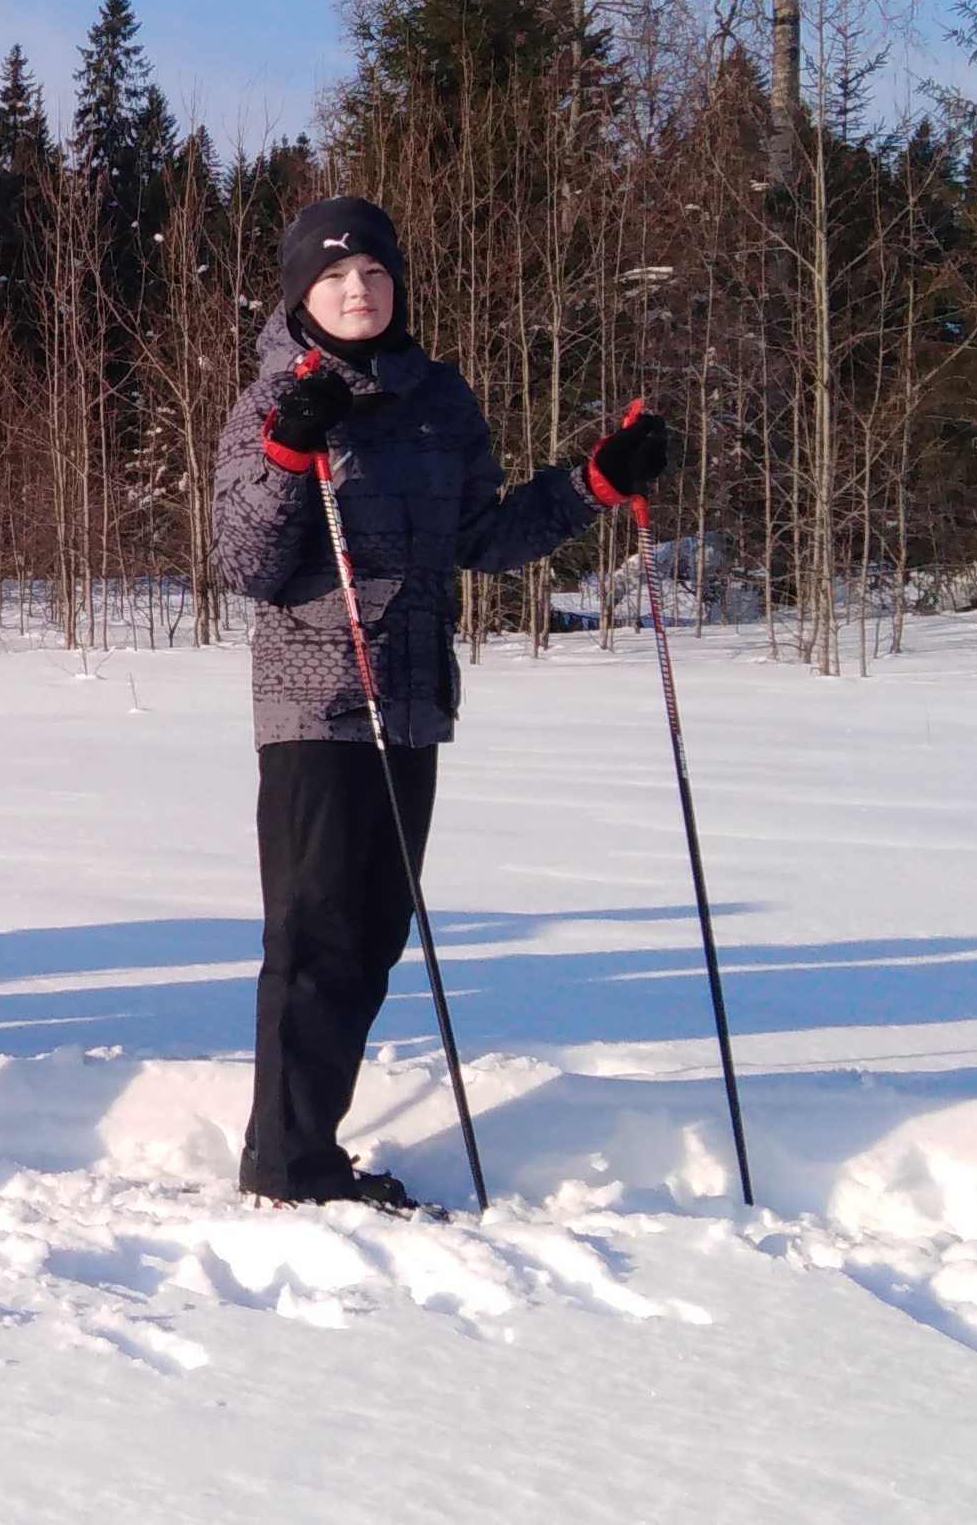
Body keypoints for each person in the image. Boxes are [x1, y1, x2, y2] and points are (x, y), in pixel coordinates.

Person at [210, 195, 666, 1212]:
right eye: (332, 276)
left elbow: (484, 536)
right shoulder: (265, 401)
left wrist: (592, 481)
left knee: (372, 933)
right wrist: (289, 450)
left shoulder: (435, 397)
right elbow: (243, 561)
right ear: (300, 293)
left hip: (410, 697)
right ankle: (286, 1163)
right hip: (315, 701)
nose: (355, 289)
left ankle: (301, 1147)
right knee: (314, 933)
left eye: (371, 272)